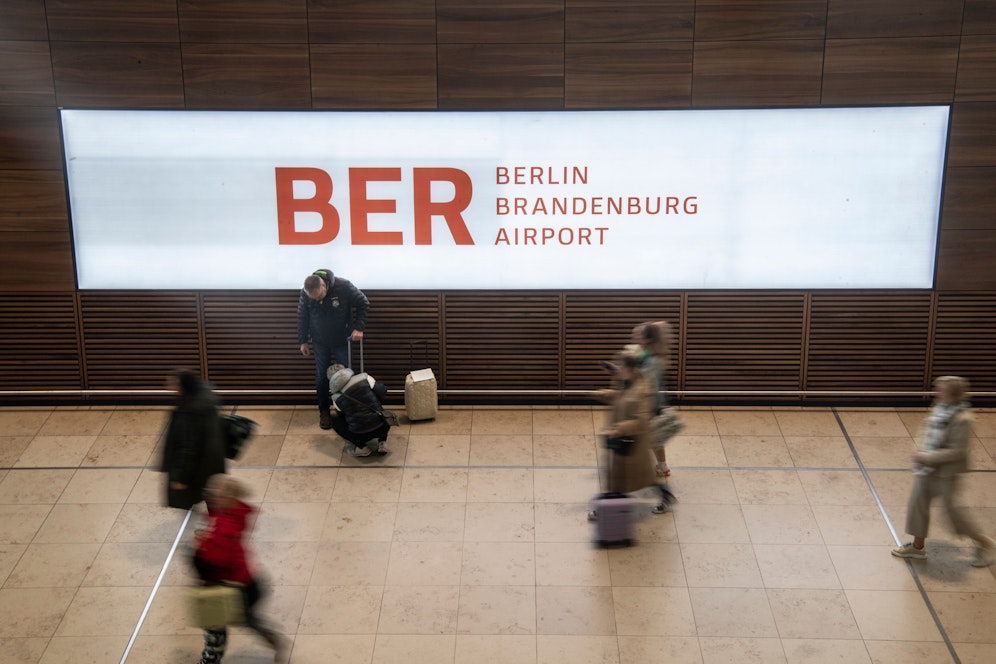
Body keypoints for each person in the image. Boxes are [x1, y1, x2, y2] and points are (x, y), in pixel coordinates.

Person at [892, 376, 996, 567]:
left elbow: (957, 451)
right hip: (927, 469)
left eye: (941, 390)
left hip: (946, 472)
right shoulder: (940, 408)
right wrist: (919, 451)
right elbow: (926, 430)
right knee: (918, 504)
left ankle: (986, 544)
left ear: (953, 395)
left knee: (953, 513)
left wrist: (927, 457)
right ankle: (917, 547)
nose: (936, 393)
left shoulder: (963, 419)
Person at [192, 474, 285, 663]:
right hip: (246, 582)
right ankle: (271, 638)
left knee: (215, 626)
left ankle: (211, 659)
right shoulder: (234, 513)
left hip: (230, 586)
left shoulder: (225, 527)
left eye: (216, 495)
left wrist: (202, 542)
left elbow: (216, 558)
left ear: (228, 498)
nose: (212, 498)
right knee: (244, 619)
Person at [589, 347, 675, 519]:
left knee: (630, 477)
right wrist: (606, 394)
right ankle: (664, 495)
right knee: (629, 477)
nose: (617, 369)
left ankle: (604, 509)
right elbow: (622, 396)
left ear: (630, 369)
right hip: (622, 440)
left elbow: (642, 421)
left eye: (621, 366)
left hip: (632, 444)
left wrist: (620, 429)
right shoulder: (629, 382)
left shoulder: (641, 390)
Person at [297, 268, 370, 430]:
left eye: (319, 296)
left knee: (346, 376)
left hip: (342, 340)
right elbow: (302, 316)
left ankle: (346, 410)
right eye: (313, 298)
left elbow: (363, 303)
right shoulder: (306, 292)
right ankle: (324, 411)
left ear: (324, 285)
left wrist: (359, 328)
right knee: (321, 376)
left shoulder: (343, 286)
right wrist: (303, 341)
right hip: (319, 341)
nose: (317, 300)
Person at [160, 369, 227, 510]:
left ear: (182, 386)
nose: (168, 386)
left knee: (206, 496)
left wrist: (181, 478)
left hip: (198, 466)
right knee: (212, 494)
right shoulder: (205, 397)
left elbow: (187, 447)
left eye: (172, 383)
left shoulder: (189, 412)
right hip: (211, 459)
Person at [634, 320, 677, 477]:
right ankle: (663, 466)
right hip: (654, 403)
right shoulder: (647, 354)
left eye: (638, 334)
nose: (635, 337)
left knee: (644, 435)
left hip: (649, 404)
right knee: (655, 436)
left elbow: (647, 384)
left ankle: (643, 468)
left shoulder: (651, 360)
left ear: (648, 339)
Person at [328, 363, 391, 457]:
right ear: (345, 371)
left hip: (359, 434)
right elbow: (382, 391)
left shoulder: (336, 398)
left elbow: (343, 418)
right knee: (380, 411)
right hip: (383, 426)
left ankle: (362, 447)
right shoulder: (364, 378)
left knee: (334, 421)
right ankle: (382, 443)